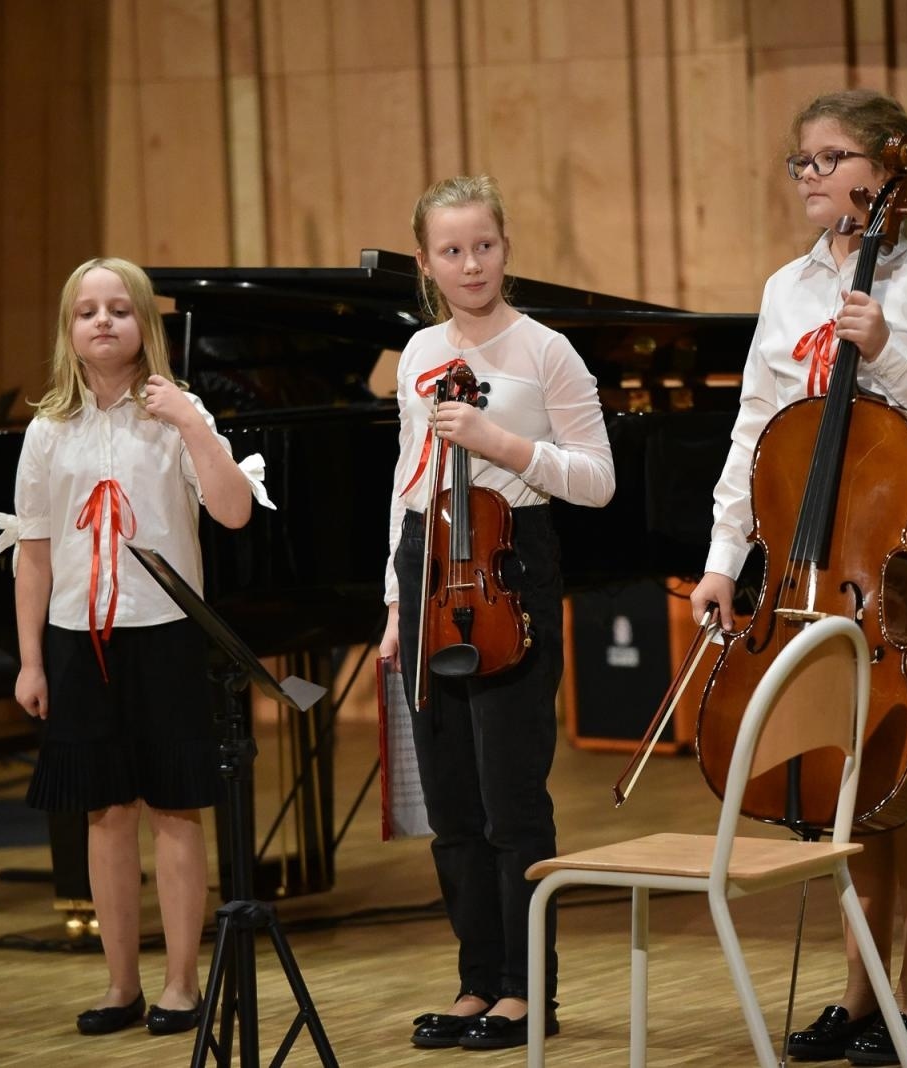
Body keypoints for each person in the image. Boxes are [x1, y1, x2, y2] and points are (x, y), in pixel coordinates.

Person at [689, 90, 907, 1066]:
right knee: (850, 779)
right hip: (818, 556)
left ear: (889, 169)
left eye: (827, 157)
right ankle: (859, 995)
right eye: (799, 160)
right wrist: (723, 561)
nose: (807, 176)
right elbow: (756, 431)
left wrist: (891, 348)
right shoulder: (786, 287)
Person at [0, 256, 271, 1038]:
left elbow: (232, 515)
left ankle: (182, 983)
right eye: (88, 312)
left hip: (168, 636)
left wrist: (191, 422)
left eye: (120, 309)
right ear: (70, 331)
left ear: (146, 325)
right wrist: (29, 659)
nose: (105, 322)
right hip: (80, 639)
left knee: (175, 811)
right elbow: (35, 554)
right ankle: (121, 983)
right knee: (105, 814)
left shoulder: (178, 417)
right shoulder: (48, 431)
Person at [379, 175, 615, 1051]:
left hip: (513, 561)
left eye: (483, 245)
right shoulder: (416, 352)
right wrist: (395, 600)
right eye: (451, 250)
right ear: (425, 261)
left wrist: (503, 444)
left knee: (511, 796)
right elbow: (406, 479)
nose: (470, 263)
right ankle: (478, 982)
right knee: (450, 803)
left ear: (505, 247)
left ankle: (528, 993)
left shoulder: (546, 350)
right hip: (428, 560)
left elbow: (598, 480)